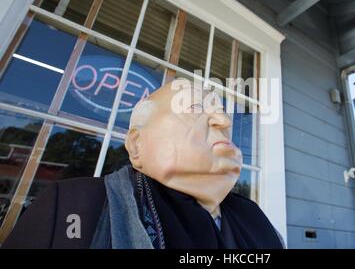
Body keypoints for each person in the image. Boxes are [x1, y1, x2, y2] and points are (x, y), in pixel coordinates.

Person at [2, 79, 284, 249]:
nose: (224, 122)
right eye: (195, 108)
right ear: (137, 145)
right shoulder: (72, 205)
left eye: (224, 115)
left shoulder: (255, 217)